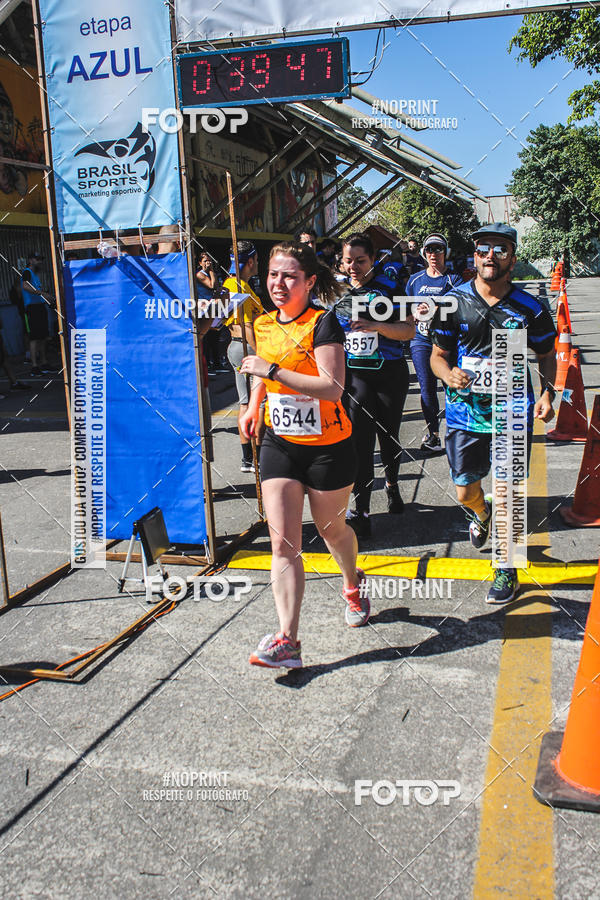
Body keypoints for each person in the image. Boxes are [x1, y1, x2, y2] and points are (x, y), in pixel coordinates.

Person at [239, 242, 369, 668]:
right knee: (283, 543)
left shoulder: (323, 323)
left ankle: (352, 583)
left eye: (289, 276)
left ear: (310, 282)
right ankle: (288, 641)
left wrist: (270, 372)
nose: (278, 283)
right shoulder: (261, 323)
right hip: (280, 443)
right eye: (274, 274)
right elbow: (261, 371)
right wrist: (254, 403)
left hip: (328, 448)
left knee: (332, 532)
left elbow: (333, 387)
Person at [429, 223, 557, 604]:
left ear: (512, 259)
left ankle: (507, 568)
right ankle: (479, 514)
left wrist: (548, 395)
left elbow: (547, 356)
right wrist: (448, 374)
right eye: (483, 249)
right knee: (465, 490)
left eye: (500, 250)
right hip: (465, 415)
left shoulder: (530, 308)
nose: (490, 256)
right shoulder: (454, 302)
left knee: (510, 495)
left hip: (513, 411)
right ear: (474, 256)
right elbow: (437, 357)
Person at [335, 233, 415, 539]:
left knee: (389, 436)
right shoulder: (337, 292)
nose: (353, 266)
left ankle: (392, 484)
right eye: (348, 260)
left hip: (389, 372)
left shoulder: (392, 288)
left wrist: (378, 326)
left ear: (372, 260)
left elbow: (408, 331)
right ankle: (362, 510)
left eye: (360, 260)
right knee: (360, 445)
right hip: (355, 376)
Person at [406, 234, 464, 453]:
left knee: (451, 385)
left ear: (445, 252)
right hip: (422, 340)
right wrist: (414, 312)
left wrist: (434, 309)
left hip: (448, 342)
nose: (433, 254)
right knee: (426, 388)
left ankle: (457, 432)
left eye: (438, 249)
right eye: (429, 249)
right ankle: (433, 435)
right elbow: (406, 311)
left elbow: (460, 308)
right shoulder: (415, 280)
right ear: (423, 253)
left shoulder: (455, 280)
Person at [222, 241, 265, 473]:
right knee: (256, 403)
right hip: (245, 347)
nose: (258, 264)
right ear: (249, 262)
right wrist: (262, 355)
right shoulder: (238, 287)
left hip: (238, 347)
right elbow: (246, 325)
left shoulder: (233, 283)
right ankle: (256, 458)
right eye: (257, 260)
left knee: (246, 402)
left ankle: (248, 459)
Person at [21, 253, 54, 376]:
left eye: (41, 259)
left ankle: (44, 363)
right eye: (37, 259)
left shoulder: (35, 274)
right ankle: (34, 366)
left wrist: (46, 296)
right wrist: (42, 293)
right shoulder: (27, 272)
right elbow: (25, 286)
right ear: (30, 260)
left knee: (43, 336)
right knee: (34, 337)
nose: (39, 261)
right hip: (32, 308)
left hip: (40, 306)